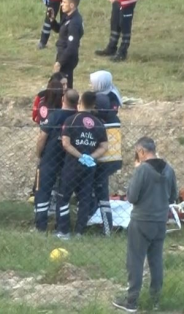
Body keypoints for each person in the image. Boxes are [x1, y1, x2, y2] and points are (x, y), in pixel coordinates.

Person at [112, 137, 178, 312]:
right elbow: (173, 196)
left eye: (137, 153)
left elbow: (132, 197)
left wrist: (136, 172)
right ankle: (155, 301)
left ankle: (131, 301)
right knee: (156, 261)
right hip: (160, 222)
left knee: (135, 261)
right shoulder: (169, 169)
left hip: (141, 221)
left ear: (141, 151)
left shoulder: (142, 170)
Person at [56, 91, 108, 240]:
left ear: (80, 102)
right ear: (93, 105)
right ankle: (79, 232)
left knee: (64, 197)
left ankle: (63, 231)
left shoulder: (71, 120)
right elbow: (104, 146)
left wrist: (80, 156)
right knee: (84, 198)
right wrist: (90, 157)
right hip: (89, 167)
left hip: (72, 165)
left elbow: (66, 143)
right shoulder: (99, 123)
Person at [33, 89, 79, 232]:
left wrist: (39, 153)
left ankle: (40, 227)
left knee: (42, 192)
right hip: (68, 161)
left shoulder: (54, 116)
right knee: (63, 195)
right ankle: (62, 228)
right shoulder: (77, 118)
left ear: (63, 99)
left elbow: (42, 137)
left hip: (49, 159)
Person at [91, 70, 123, 236]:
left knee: (100, 193)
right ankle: (100, 223)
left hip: (102, 157)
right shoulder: (112, 96)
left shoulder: (102, 101)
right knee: (98, 191)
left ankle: (106, 228)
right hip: (111, 155)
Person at [51, 0, 84, 89]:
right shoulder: (68, 17)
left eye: (64, 2)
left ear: (72, 5)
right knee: (59, 83)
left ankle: (68, 102)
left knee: (64, 84)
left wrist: (60, 62)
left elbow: (72, 47)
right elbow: (60, 29)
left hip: (67, 58)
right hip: (63, 54)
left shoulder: (74, 22)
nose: (61, 4)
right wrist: (52, 20)